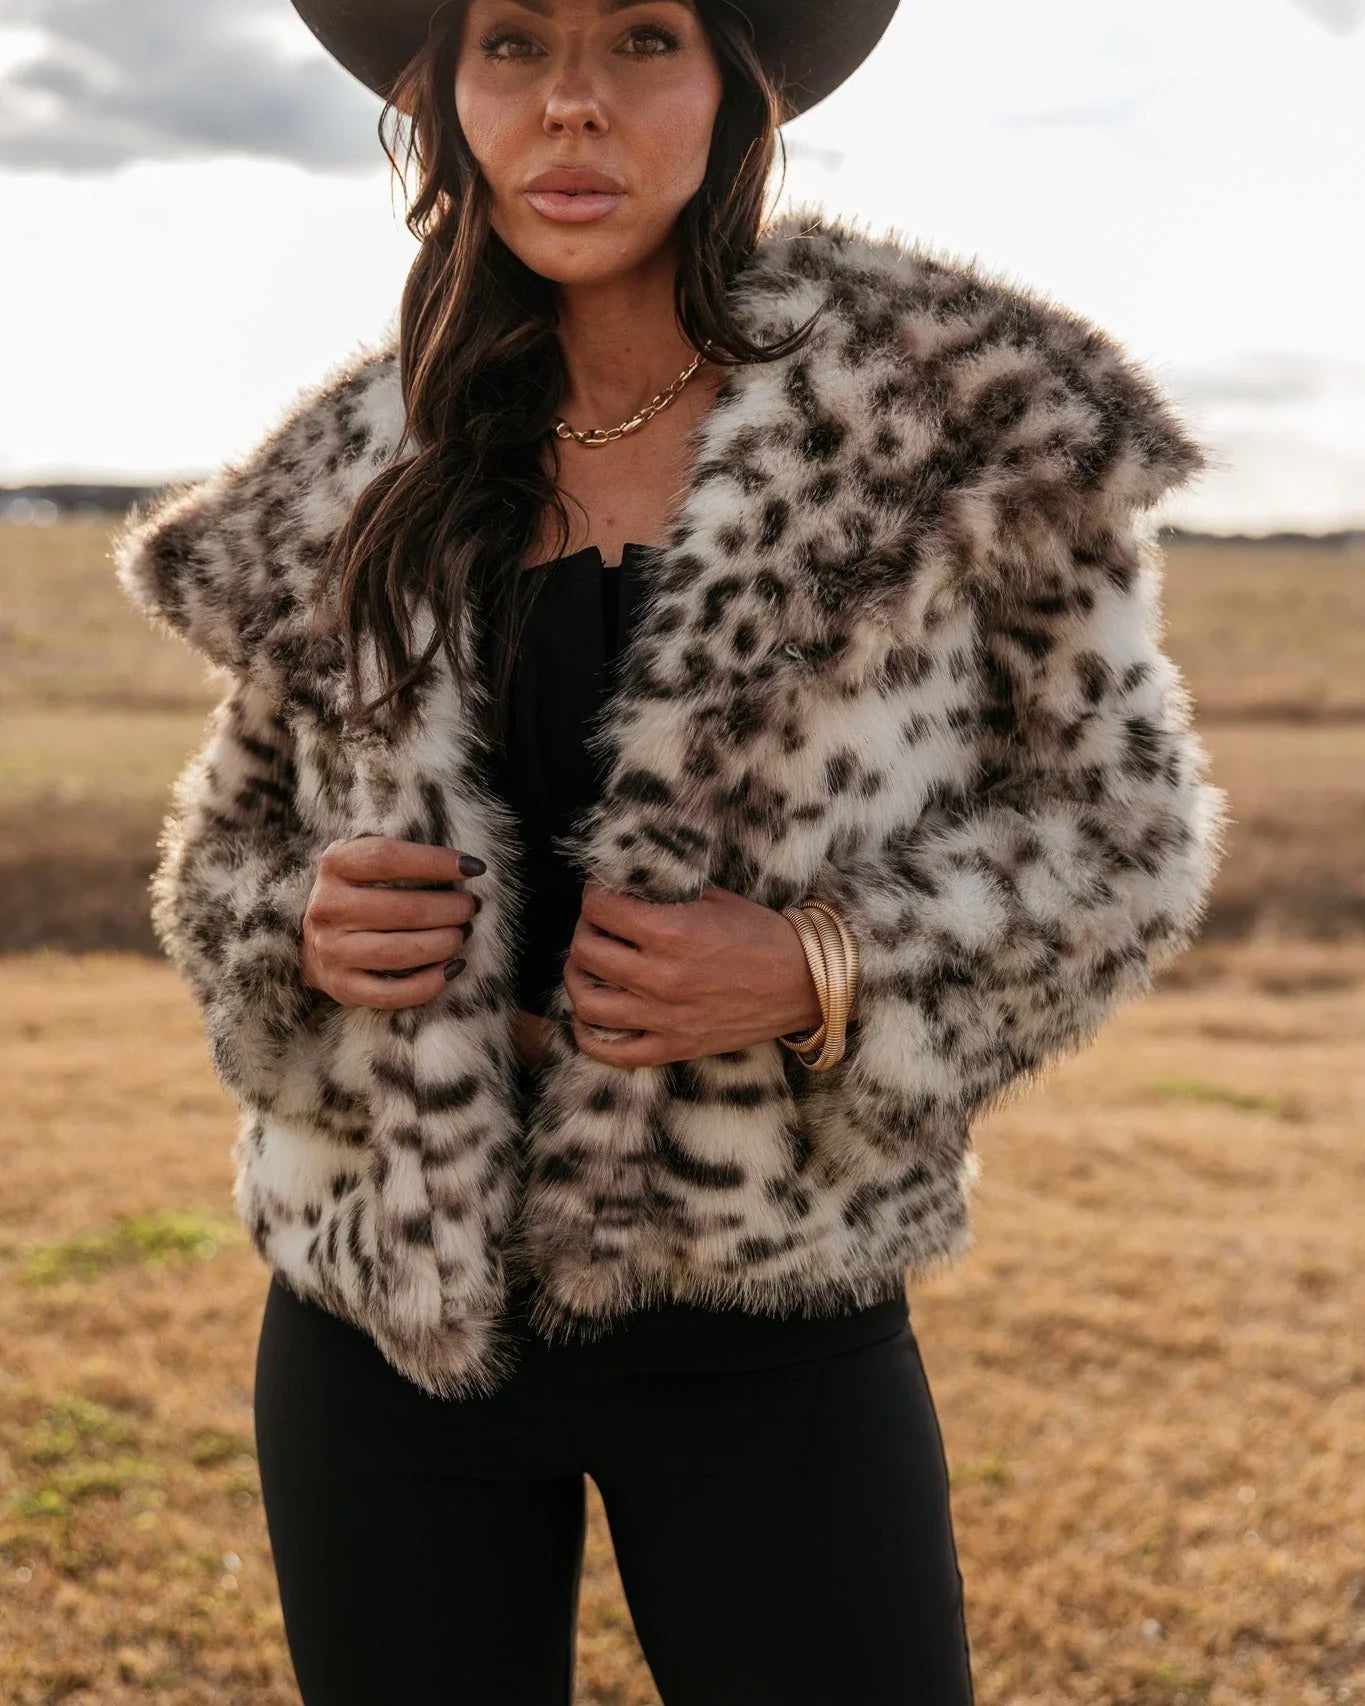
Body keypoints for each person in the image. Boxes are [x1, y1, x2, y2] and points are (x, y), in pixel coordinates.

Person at [113, 0, 1226, 1700]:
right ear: (447, 99)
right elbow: (226, 854)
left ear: (734, 88)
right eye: (510, 44)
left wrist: (819, 966)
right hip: (383, 1299)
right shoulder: (356, 464)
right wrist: (302, 933)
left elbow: (1125, 829)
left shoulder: (946, 420)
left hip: (768, 1297)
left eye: (640, 39)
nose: (571, 106)